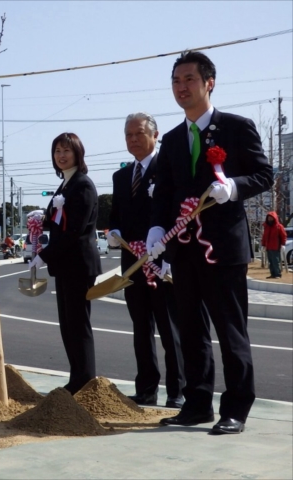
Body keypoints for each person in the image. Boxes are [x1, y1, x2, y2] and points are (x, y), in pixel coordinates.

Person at [146, 52, 273, 434]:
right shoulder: (170, 140)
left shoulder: (236, 127)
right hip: (183, 250)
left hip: (224, 249)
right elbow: (164, 194)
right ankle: (197, 402)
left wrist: (233, 187)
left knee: (230, 330)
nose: (181, 88)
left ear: (208, 83)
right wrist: (156, 230)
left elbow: (263, 174)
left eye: (188, 79)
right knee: (191, 330)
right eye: (175, 81)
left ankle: (236, 408)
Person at [108, 112, 185, 409]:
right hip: (132, 264)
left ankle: (178, 391)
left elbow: (177, 214)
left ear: (155, 135)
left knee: (169, 329)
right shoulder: (121, 176)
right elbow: (115, 216)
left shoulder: (167, 170)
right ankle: (146, 389)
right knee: (141, 329)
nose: (133, 139)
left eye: (139, 133)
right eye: (128, 135)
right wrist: (114, 231)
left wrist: (167, 252)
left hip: (160, 263)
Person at [29, 132, 102, 395]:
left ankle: (84, 381)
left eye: (66, 151)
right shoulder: (65, 186)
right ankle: (77, 378)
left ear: (77, 154)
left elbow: (75, 232)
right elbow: (60, 223)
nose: (61, 155)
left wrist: (44, 255)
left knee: (78, 325)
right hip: (67, 267)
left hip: (79, 265)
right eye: (57, 151)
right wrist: (42, 218)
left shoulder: (82, 185)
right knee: (68, 325)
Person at [261, 212, 286, 279]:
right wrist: (263, 245)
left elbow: (283, 236)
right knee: (271, 262)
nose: (269, 219)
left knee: (276, 261)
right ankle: (272, 274)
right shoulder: (266, 227)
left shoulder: (279, 226)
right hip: (268, 247)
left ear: (274, 218)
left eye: (271, 218)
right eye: (268, 218)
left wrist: (283, 244)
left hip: (275, 247)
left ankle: (277, 274)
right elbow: (264, 236)